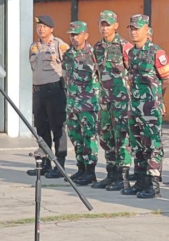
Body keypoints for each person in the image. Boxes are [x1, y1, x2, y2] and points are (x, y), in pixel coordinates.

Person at [121, 15, 169, 198]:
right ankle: (141, 181)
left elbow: (167, 79)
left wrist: (158, 99)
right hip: (135, 107)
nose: (133, 32)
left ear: (146, 30)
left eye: (137, 28)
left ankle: (153, 185)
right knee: (137, 146)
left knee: (152, 146)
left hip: (150, 109)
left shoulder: (156, 52)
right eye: (131, 28)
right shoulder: (131, 53)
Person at [92, 10, 134, 191]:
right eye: (102, 24)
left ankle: (123, 177)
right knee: (106, 136)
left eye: (108, 24)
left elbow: (132, 72)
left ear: (116, 26)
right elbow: (96, 72)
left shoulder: (125, 47)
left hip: (122, 101)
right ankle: (111, 174)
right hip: (105, 101)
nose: (105, 28)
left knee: (122, 138)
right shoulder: (97, 47)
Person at [28, 15, 69, 178]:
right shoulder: (34, 46)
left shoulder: (60, 45)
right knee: (41, 128)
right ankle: (44, 162)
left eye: (44, 26)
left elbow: (67, 66)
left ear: (51, 28)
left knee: (57, 128)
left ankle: (60, 164)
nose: (41, 29)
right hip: (38, 92)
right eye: (39, 26)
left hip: (54, 91)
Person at [62, 21, 100, 185]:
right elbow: (65, 76)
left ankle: (90, 171)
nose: (74, 38)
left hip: (88, 104)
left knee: (89, 138)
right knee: (75, 136)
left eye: (77, 34)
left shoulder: (93, 54)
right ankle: (81, 168)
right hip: (72, 104)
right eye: (71, 35)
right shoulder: (68, 54)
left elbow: (100, 76)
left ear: (86, 35)